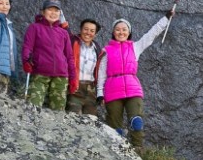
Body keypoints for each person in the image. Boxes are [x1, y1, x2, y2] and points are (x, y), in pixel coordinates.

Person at [97, 11, 172, 146]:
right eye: (118, 29)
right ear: (113, 32)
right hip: (112, 91)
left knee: (137, 122)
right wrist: (100, 94)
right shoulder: (106, 51)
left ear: (129, 32)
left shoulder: (135, 47)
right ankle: (116, 155)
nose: (121, 32)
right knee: (115, 128)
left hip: (133, 90)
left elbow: (152, 34)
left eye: (124, 29)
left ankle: (138, 151)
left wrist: (166, 19)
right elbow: (101, 74)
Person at [22, 0, 76, 109]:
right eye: (50, 9)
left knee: (58, 112)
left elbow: (69, 57)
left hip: (61, 77)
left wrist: (73, 77)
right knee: (33, 107)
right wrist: (26, 61)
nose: (53, 13)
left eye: (56, 10)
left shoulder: (63, 33)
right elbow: (27, 47)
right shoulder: (34, 28)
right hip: (39, 74)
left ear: (60, 13)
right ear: (42, 12)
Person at [66, 19, 101, 114]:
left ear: (95, 34)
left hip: (91, 89)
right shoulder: (72, 42)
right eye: (86, 29)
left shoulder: (97, 48)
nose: (88, 33)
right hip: (75, 86)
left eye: (92, 31)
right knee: (72, 117)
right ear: (80, 29)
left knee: (91, 119)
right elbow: (63, 26)